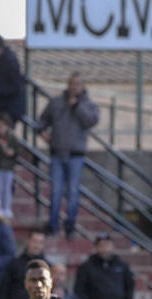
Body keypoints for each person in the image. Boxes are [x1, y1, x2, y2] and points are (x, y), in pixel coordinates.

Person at [36, 73, 99, 237]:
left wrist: (76, 106)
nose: (75, 87)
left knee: (73, 192)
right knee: (56, 191)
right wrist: (42, 132)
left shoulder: (89, 105)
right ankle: (53, 225)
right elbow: (42, 120)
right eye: (72, 84)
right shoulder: (56, 103)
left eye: (78, 84)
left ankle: (70, 225)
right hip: (57, 153)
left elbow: (91, 121)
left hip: (76, 154)